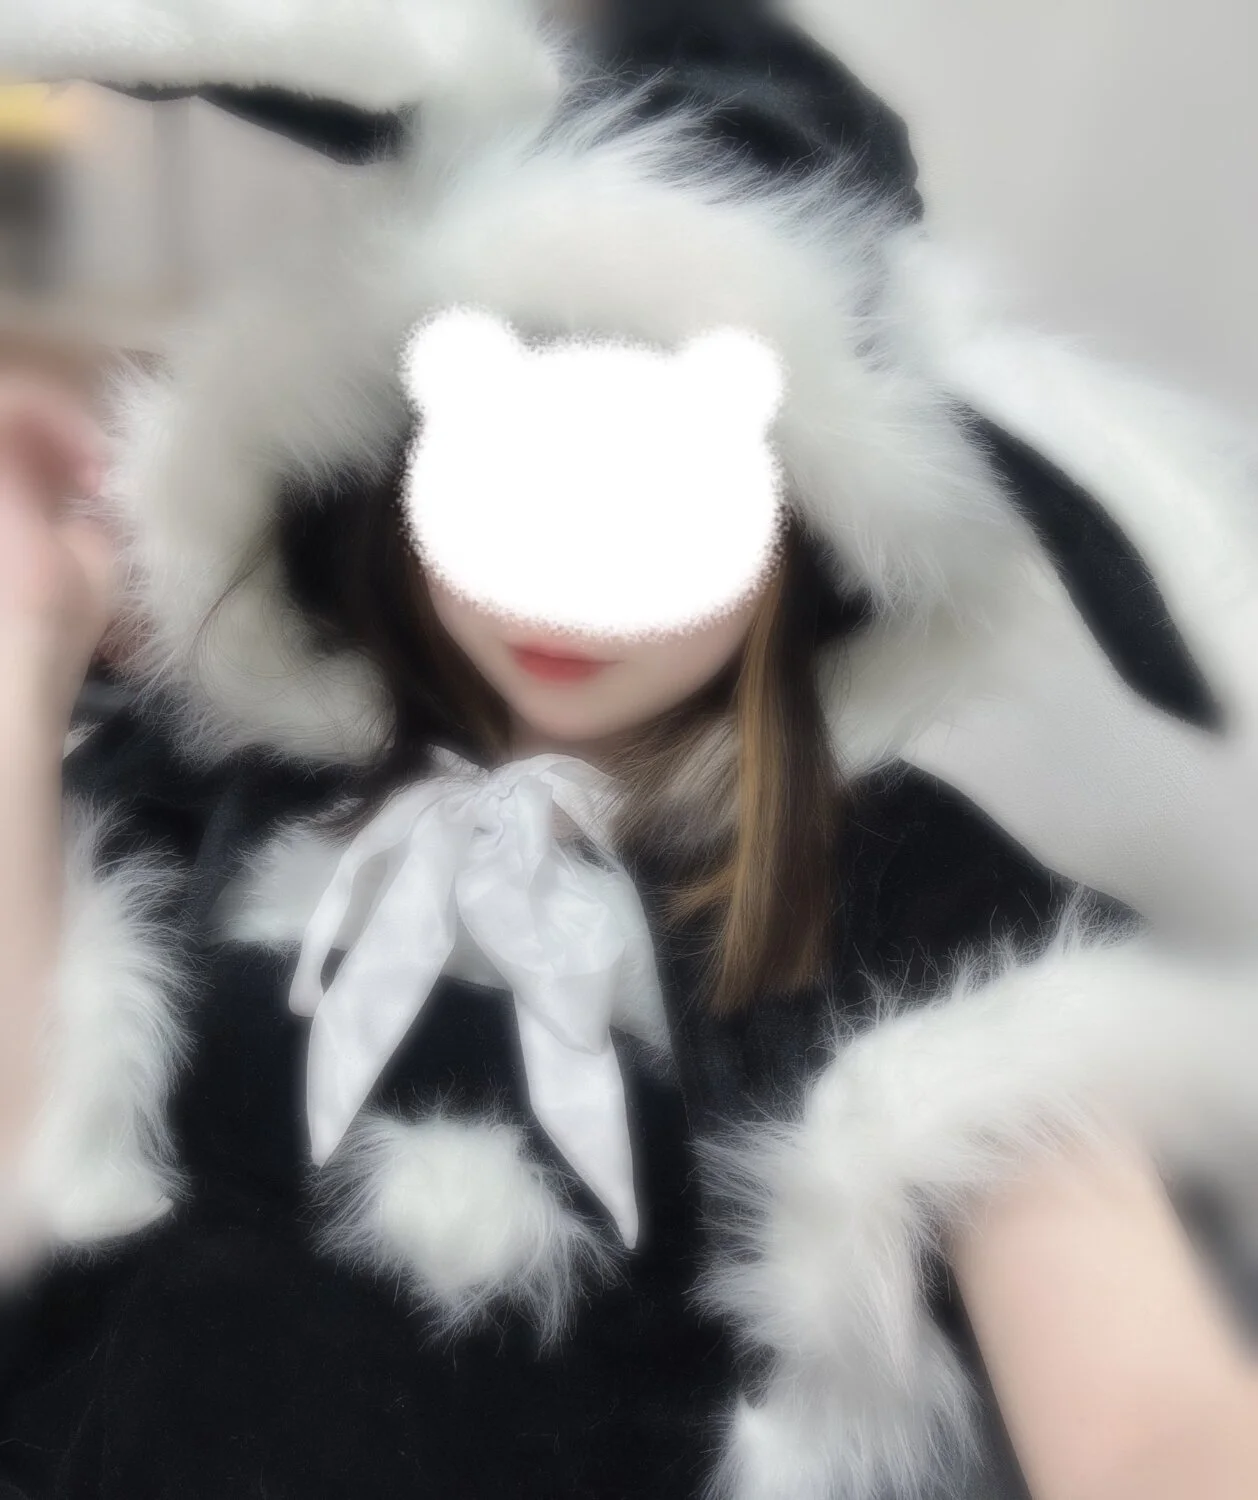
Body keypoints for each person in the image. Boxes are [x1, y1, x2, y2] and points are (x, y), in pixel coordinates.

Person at [0, 3, 1256, 1499]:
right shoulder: (214, 786)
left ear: (806, 524)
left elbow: (1153, 1415)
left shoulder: (901, 897)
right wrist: (33, 641)